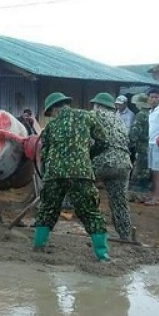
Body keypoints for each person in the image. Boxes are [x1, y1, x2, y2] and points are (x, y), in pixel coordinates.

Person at [34, 92, 110, 262]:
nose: (51, 116)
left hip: (54, 174)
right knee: (91, 212)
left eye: (50, 113)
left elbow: (44, 155)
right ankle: (103, 256)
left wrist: (47, 174)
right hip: (81, 173)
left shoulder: (51, 127)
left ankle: (38, 248)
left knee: (47, 209)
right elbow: (104, 141)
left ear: (54, 108)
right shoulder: (87, 116)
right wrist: (86, 155)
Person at [89, 93, 133, 240]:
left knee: (77, 183)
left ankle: (94, 229)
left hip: (103, 161)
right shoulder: (119, 120)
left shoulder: (94, 115)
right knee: (120, 202)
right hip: (124, 164)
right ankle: (125, 235)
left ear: (98, 106)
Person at [128, 94, 151, 193]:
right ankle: (145, 187)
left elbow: (135, 130)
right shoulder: (150, 113)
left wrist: (131, 141)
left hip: (141, 145)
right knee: (146, 168)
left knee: (139, 168)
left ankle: (137, 189)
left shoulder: (140, 115)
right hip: (150, 144)